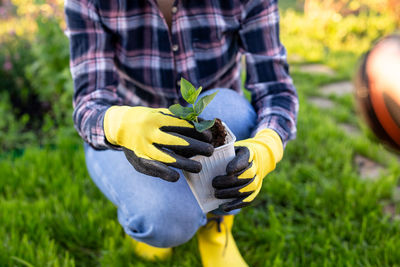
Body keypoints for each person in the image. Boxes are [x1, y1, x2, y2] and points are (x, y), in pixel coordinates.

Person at [64, 0, 298, 266]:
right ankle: (160, 215)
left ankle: (216, 228)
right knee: (161, 220)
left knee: (233, 113)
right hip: (132, 138)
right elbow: (88, 105)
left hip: (218, 118)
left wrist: (267, 147)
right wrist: (121, 125)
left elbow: (275, 89)